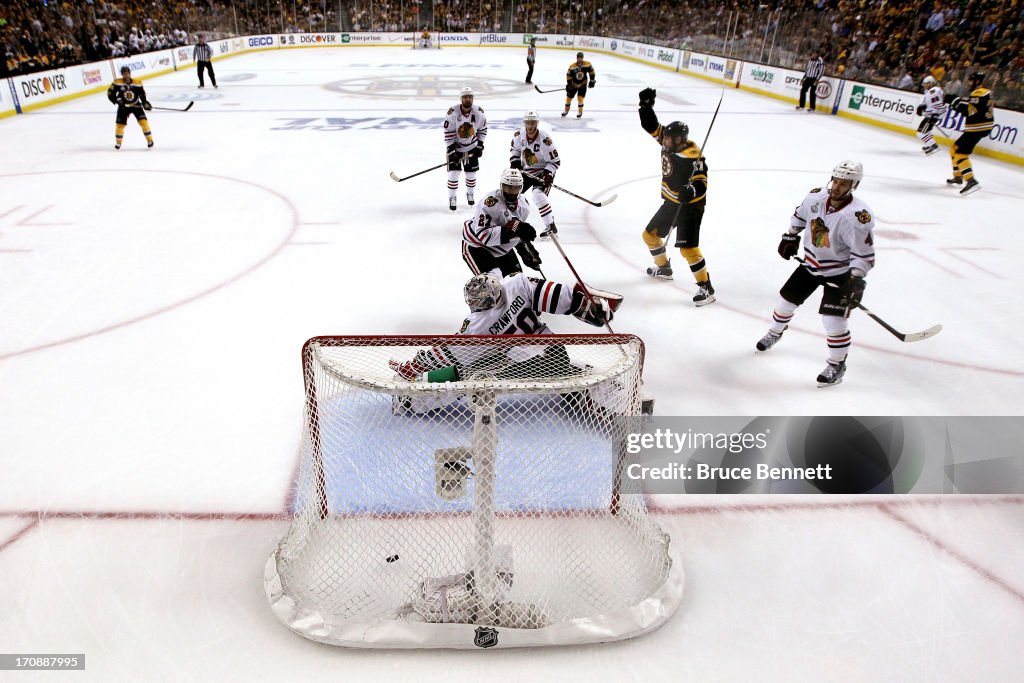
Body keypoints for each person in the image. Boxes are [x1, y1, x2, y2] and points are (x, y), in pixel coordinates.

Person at [755, 160, 876, 388]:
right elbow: (800, 216)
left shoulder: (858, 216)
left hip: (840, 273)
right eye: (836, 181)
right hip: (810, 264)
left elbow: (864, 253)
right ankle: (775, 332)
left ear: (854, 186)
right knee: (784, 304)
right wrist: (791, 235)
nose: (837, 187)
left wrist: (857, 279)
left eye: (844, 184)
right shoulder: (815, 197)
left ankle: (837, 364)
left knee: (833, 322)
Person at [389, 271, 618, 385]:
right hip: (553, 351)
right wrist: (586, 306)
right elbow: (561, 297)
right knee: (478, 365)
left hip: (533, 363)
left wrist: (414, 366)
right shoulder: (517, 284)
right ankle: (568, 373)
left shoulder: (476, 325)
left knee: (471, 375)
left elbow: (445, 353)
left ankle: (420, 388)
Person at [637, 87, 714, 306]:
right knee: (649, 235)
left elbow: (702, 183)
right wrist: (645, 107)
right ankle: (664, 267)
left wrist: (691, 191)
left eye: (668, 140)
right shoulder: (669, 140)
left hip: (691, 207)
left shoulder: (692, 155)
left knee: (687, 248)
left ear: (679, 140)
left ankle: (706, 287)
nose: (664, 142)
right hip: (671, 201)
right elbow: (650, 126)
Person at [461, 168, 542, 279]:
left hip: (501, 249)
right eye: (508, 187)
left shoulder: (524, 207)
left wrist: (525, 251)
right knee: (494, 280)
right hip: (476, 245)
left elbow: (516, 230)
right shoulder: (489, 203)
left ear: (521, 188)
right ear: (501, 186)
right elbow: (484, 236)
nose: (512, 192)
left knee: (517, 281)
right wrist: (517, 228)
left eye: (516, 188)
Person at [509, 110, 561, 240]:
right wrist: (515, 161)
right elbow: (514, 150)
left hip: (543, 171)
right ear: (525, 122)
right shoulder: (518, 135)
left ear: (537, 123)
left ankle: (550, 226)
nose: (530, 126)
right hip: (526, 171)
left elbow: (555, 161)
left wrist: (548, 174)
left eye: (533, 123)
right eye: (528, 122)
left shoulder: (545, 139)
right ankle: (509, 222)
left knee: (538, 195)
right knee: (511, 193)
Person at [944, 71, 993, 196]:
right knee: (954, 149)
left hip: (977, 128)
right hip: (978, 127)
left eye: (970, 81)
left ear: (977, 81)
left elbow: (968, 110)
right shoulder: (983, 93)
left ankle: (971, 180)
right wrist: (957, 101)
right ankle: (958, 176)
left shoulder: (979, 93)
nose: (968, 83)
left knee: (961, 154)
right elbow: (971, 104)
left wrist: (955, 102)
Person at [444, 86, 488, 211]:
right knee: (454, 173)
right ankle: (452, 197)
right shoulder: (453, 112)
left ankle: (470, 193)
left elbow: (483, 130)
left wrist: (479, 145)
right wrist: (452, 151)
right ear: (461, 99)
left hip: (471, 147)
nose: (467, 99)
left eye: (469, 97)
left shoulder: (479, 112)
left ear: (472, 98)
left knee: (471, 174)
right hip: (456, 147)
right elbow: (448, 132)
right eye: (465, 97)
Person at [106, 66, 153, 150]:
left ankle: (150, 140)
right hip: (123, 107)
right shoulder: (117, 82)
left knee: (144, 123)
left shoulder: (137, 82)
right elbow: (110, 93)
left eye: (128, 73)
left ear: (130, 73)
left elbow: (142, 94)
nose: (126, 75)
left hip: (136, 105)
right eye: (124, 74)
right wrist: (117, 100)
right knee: (120, 126)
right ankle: (118, 143)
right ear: (122, 74)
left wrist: (144, 102)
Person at [915, 75, 946, 155]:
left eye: (926, 83)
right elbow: (929, 103)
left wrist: (936, 115)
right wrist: (922, 107)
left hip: (933, 115)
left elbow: (938, 104)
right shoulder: (931, 91)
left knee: (921, 132)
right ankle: (929, 144)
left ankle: (933, 146)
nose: (924, 85)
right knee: (927, 131)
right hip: (932, 114)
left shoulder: (934, 91)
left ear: (931, 83)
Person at [562, 52, 595, 119]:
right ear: (577, 58)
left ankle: (580, 112)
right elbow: (569, 76)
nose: (580, 59)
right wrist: (569, 84)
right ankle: (566, 111)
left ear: (582, 58)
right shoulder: (572, 67)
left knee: (580, 98)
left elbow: (592, 72)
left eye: (581, 58)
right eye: (578, 58)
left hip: (583, 84)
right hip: (574, 85)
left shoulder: (587, 64)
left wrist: (592, 80)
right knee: (568, 98)